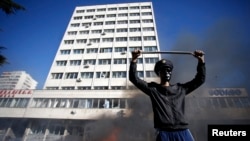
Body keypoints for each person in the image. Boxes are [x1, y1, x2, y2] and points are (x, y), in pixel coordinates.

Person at [129, 50, 206, 141]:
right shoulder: (153, 89)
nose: (166, 72)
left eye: (168, 70)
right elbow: (134, 78)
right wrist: (134, 60)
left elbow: (200, 79)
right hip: (163, 133)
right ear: (159, 74)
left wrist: (201, 61)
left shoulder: (181, 89)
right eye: (163, 70)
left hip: (183, 131)